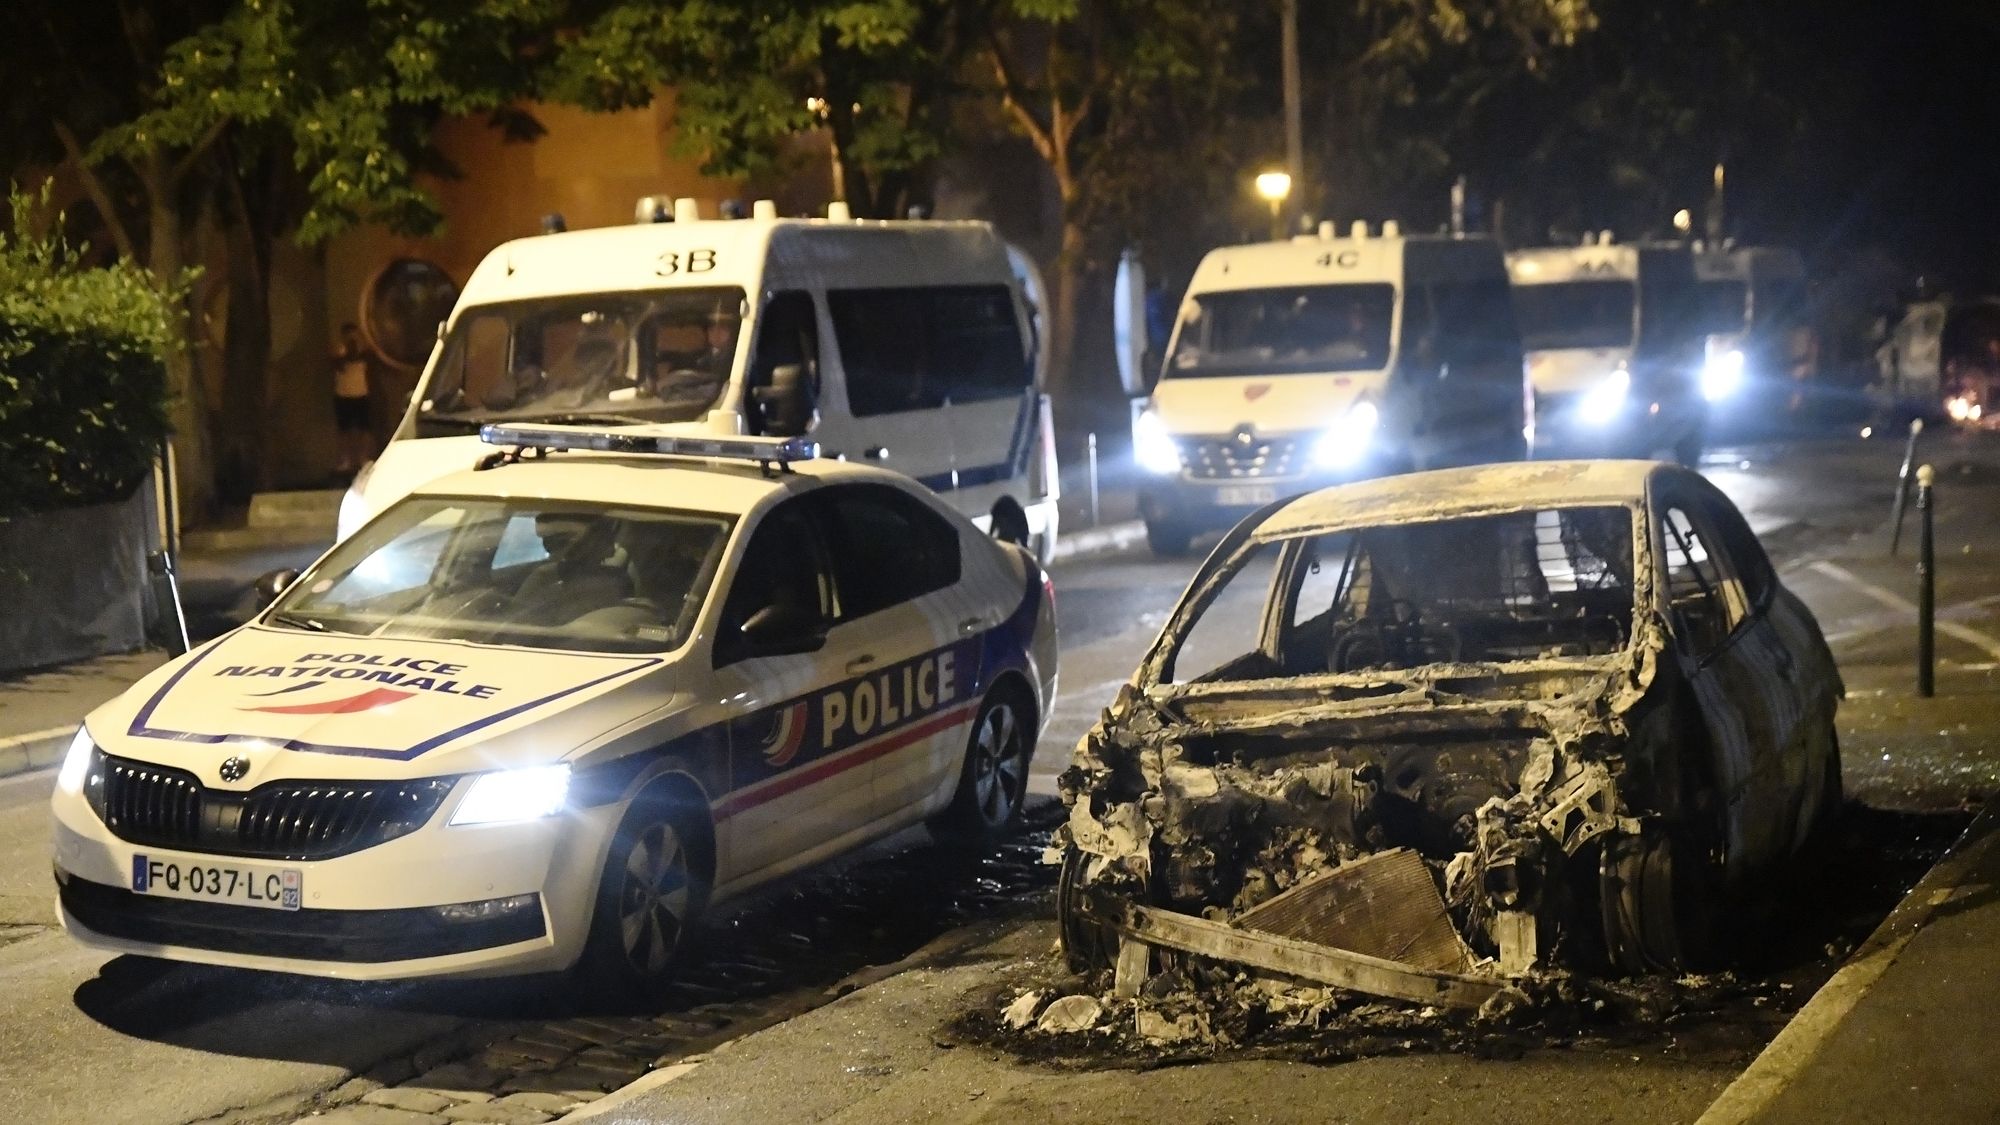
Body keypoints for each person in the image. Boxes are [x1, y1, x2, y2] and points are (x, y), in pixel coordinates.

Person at [331, 324, 374, 476]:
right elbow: (339, 365)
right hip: (343, 394)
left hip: (361, 393)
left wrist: (357, 347)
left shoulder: (364, 350)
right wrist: (346, 352)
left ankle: (363, 458)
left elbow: (367, 359)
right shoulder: (339, 350)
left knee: (364, 428)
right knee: (344, 430)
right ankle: (346, 460)